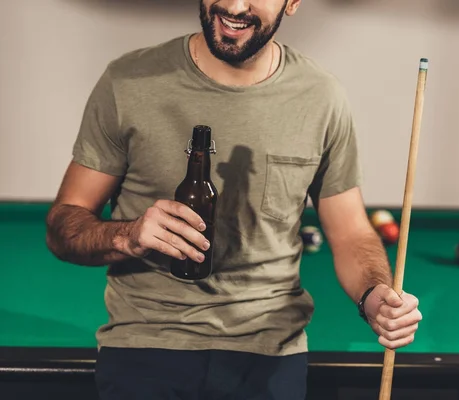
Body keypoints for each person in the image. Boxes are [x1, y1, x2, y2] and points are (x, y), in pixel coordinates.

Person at [45, 0, 422, 399]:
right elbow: (63, 226)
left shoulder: (322, 97)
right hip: (147, 342)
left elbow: (349, 234)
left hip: (270, 350)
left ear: (293, 3)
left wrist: (375, 294)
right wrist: (128, 235)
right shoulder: (128, 81)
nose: (235, 5)